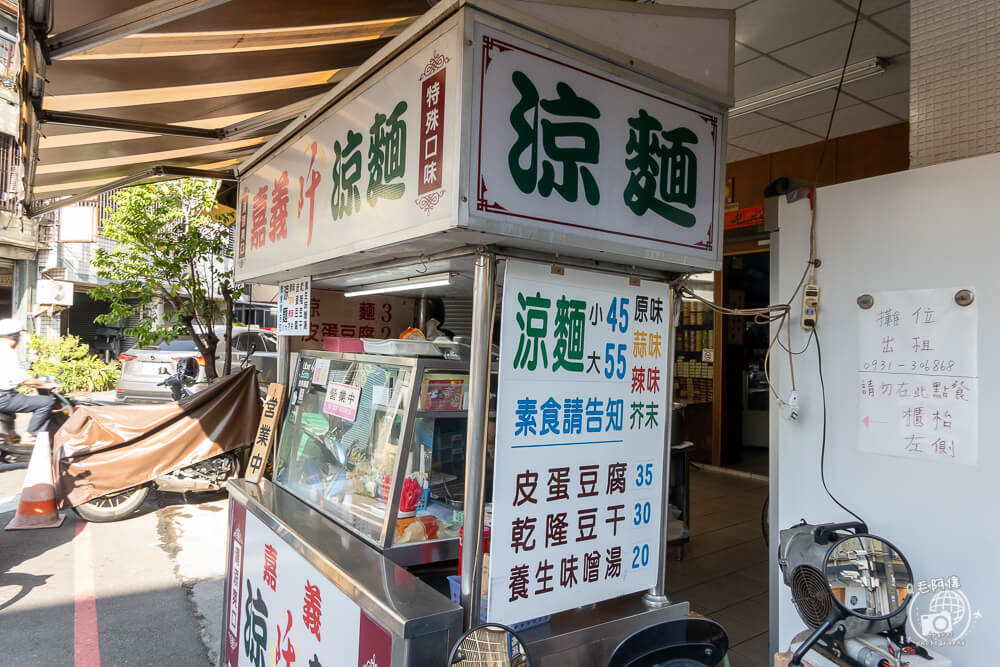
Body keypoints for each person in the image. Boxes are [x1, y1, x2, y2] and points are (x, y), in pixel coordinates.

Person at [0, 319, 58, 444]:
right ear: (15, 336)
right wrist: (47, 385)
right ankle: (31, 435)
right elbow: (26, 381)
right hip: (3, 397)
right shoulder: (7, 352)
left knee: (15, 402)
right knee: (45, 402)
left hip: (5, 396)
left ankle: (11, 434)